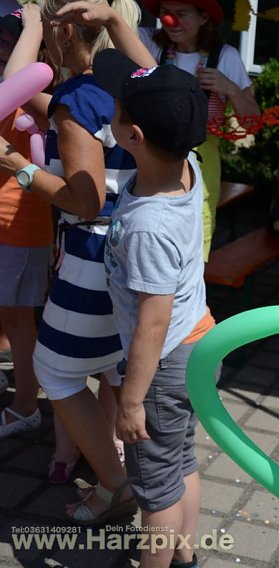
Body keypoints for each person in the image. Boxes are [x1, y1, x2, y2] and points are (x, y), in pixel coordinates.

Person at [0, 0, 154, 523]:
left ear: (67, 27)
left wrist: (17, 165)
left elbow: (83, 200)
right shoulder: (133, 84)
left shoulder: (76, 96)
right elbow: (49, 104)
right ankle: (145, 477)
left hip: (90, 254)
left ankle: (116, 484)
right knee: (115, 366)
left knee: (55, 371)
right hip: (131, 251)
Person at [93, 47, 215, 568]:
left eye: (118, 108)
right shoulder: (183, 165)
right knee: (179, 459)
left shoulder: (147, 226)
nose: (112, 111)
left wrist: (131, 401)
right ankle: (184, 558)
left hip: (163, 363)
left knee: (156, 492)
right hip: (197, 341)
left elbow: (153, 318)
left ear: (134, 136)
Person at [138, 0, 259, 261]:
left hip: (201, 167)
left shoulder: (225, 57)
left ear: (204, 18)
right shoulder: (152, 45)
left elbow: (252, 122)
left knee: (194, 238)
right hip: (152, 160)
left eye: (181, 14)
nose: (171, 21)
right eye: (165, 14)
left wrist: (231, 89)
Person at [0, 12, 53, 441]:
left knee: (19, 322)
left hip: (20, 227)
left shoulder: (38, 94)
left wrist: (33, 25)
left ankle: (26, 407)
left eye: (8, 41)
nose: (1, 49)